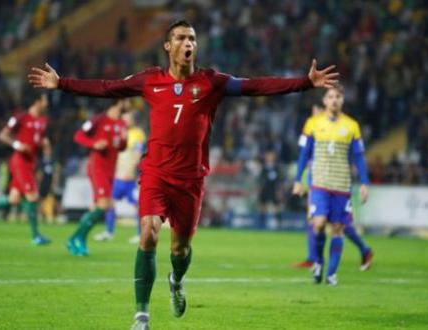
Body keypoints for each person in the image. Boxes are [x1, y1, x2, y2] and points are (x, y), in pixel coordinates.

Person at [28, 19, 338, 330]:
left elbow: (255, 86)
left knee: (180, 249)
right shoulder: (150, 80)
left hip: (190, 180)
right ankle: (141, 316)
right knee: (148, 233)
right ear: (168, 46)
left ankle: (176, 279)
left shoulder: (211, 82)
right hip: (155, 173)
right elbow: (107, 89)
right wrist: (62, 83)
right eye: (180, 38)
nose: (187, 43)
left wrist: (304, 82)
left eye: (191, 38)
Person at [292, 86, 370, 286]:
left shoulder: (352, 126)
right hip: (319, 183)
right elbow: (304, 154)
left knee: (337, 228)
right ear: (324, 101)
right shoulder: (313, 123)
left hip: (342, 184)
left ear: (342, 100)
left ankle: (331, 274)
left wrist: (364, 183)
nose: (334, 100)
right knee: (318, 224)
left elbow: (359, 157)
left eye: (338, 96)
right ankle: (318, 262)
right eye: (331, 97)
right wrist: (298, 180)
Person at [0, 93, 52, 245]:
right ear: (37, 101)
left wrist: (44, 144)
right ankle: (36, 236)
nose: (47, 103)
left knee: (13, 199)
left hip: (30, 163)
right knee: (33, 197)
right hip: (20, 162)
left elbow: (37, 140)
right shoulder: (21, 118)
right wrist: (17, 145)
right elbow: (2, 135)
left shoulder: (43, 121)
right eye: (45, 100)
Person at [67, 99, 128, 256]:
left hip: (110, 170)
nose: (127, 102)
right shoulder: (98, 119)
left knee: (97, 207)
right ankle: (76, 238)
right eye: (125, 100)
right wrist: (94, 143)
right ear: (117, 103)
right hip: (97, 167)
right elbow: (78, 136)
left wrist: (124, 139)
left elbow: (121, 147)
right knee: (104, 205)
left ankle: (76, 239)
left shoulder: (121, 123)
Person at [94, 104, 146, 243]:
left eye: (128, 118)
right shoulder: (116, 131)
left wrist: (135, 172)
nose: (126, 121)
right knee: (108, 204)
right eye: (124, 118)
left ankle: (140, 234)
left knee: (139, 205)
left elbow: (137, 155)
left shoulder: (137, 134)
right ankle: (109, 232)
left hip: (130, 178)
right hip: (116, 177)